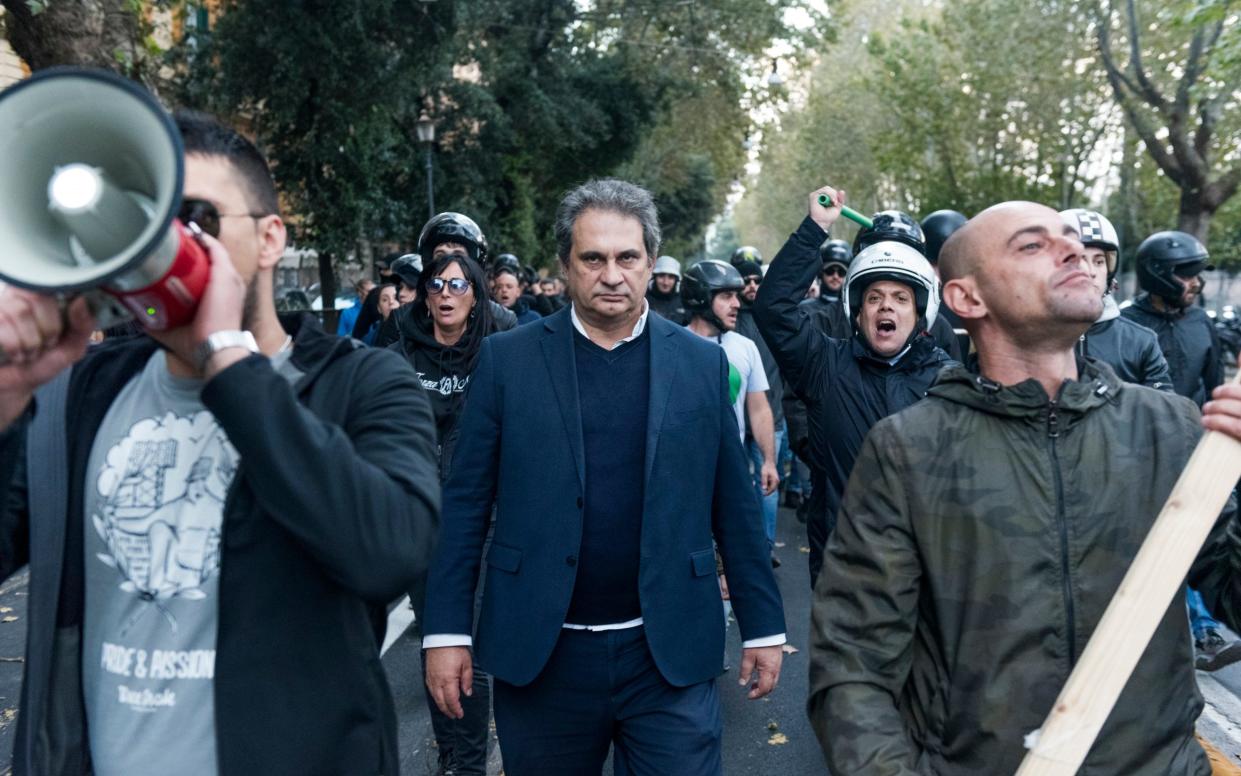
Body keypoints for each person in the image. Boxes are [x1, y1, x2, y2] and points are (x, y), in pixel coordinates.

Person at [0, 110, 440, 774]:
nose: (171, 240)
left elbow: (388, 550)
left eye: (198, 217)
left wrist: (227, 360)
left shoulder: (361, 382)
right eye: (145, 219)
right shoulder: (82, 391)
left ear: (269, 239)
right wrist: (8, 396)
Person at [808, 199, 1241, 775]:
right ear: (967, 298)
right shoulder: (908, 450)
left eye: (1074, 240)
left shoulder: (1170, 427)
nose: (1074, 249)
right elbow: (852, 666)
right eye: (1033, 244)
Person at [422, 178, 785, 776]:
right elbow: (464, 505)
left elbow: (734, 505)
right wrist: (445, 634)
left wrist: (763, 624)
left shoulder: (700, 364)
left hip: (668, 654)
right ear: (566, 265)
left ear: (649, 264)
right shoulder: (508, 361)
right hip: (543, 654)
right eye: (593, 258)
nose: (611, 274)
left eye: (627, 257)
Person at [753, 187, 955, 585]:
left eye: (900, 298)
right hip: (843, 576)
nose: (886, 306)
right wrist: (815, 228)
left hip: (926, 577)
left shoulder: (949, 380)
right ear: (856, 311)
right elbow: (772, 307)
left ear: (920, 313)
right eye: (874, 297)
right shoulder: (824, 364)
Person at [390, 252, 499, 776]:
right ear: (425, 294)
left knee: (468, 641)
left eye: (459, 283)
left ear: (475, 295)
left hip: (481, 522)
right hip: (418, 522)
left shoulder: (497, 356)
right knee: (435, 639)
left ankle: (470, 763)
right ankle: (451, 752)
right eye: (437, 283)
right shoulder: (396, 357)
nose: (447, 292)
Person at [1120, 229, 1238, 670]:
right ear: (1160, 275)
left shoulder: (1201, 322)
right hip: (1137, 456)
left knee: (1200, 539)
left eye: (1198, 274)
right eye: (1187, 274)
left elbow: (1213, 387)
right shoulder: (1125, 327)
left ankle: (1205, 630)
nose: (1196, 283)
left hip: (1195, 452)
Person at [1059, 208, 1171, 389]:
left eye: (1099, 261)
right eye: (1078, 260)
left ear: (1110, 271)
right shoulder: (1029, 335)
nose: (1090, 271)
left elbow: (1163, 411)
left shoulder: (1141, 342)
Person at [377, 217, 517, 349]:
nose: (450, 263)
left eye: (458, 255)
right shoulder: (400, 319)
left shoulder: (502, 321)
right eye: (440, 255)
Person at [729, 259, 785, 563]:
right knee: (733, 487)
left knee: (768, 483)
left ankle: (765, 546)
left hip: (770, 415)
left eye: (756, 280)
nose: (751, 286)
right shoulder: (727, 318)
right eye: (745, 280)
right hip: (734, 419)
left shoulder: (774, 317)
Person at [646, 255, 690, 324]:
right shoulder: (643, 301)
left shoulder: (685, 302)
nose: (666, 282)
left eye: (671, 277)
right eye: (661, 276)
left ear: (677, 280)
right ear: (654, 277)